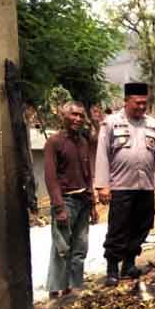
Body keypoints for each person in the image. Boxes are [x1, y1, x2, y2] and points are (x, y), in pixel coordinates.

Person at [94, 83, 155, 286]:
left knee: (142, 225)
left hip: (145, 186)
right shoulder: (111, 123)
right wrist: (102, 185)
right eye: (137, 103)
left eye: (144, 103)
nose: (141, 107)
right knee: (118, 228)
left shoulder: (152, 125)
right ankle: (112, 268)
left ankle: (129, 264)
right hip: (120, 186)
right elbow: (102, 154)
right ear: (126, 101)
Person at [43, 101, 98, 298]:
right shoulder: (54, 142)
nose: (78, 119)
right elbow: (50, 177)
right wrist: (59, 207)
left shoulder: (83, 142)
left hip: (83, 200)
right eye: (73, 115)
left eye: (81, 116)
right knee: (62, 248)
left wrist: (92, 204)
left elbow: (87, 174)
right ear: (63, 116)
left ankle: (75, 286)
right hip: (65, 201)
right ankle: (55, 288)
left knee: (80, 247)